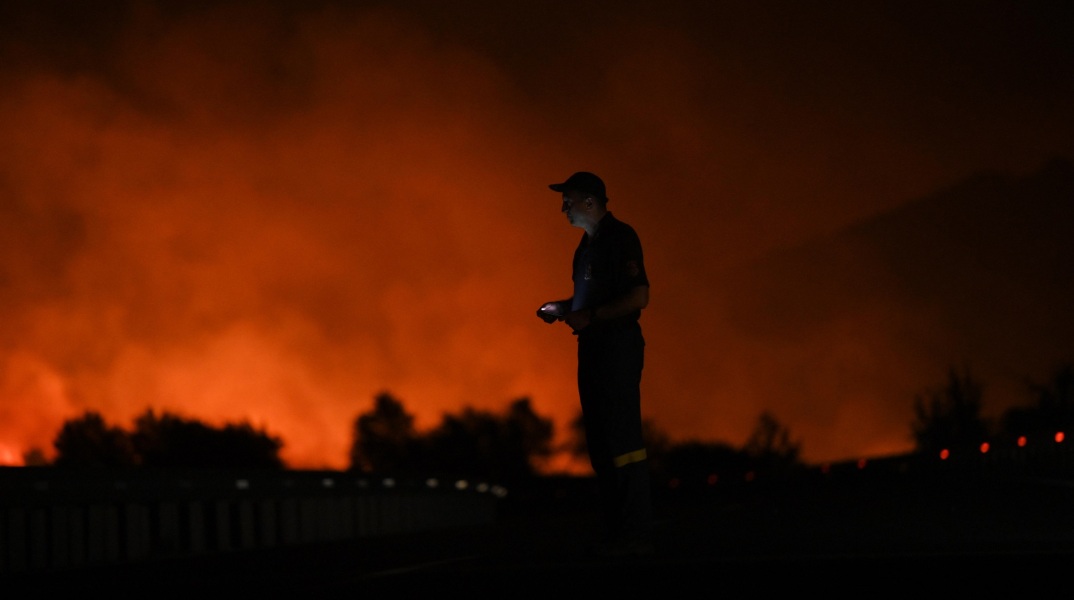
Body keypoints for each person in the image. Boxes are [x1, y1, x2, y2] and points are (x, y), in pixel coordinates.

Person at [536, 171, 654, 557]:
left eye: (568, 200)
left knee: (623, 440)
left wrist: (593, 316)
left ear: (590, 201)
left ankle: (635, 530)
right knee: (601, 442)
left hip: (617, 349)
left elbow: (639, 297)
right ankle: (615, 529)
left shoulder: (622, 238)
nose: (562, 208)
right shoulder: (585, 248)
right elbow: (588, 302)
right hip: (592, 350)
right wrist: (565, 308)